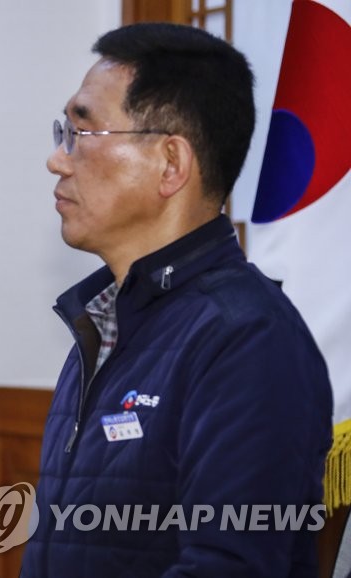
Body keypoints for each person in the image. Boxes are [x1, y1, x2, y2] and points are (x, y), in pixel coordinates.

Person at [21, 23, 332, 577]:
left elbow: (228, 567)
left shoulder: (247, 338)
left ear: (170, 164)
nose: (57, 160)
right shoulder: (102, 323)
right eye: (62, 132)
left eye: (82, 132)